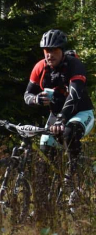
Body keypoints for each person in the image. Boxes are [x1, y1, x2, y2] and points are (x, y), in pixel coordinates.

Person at [24, 29, 94, 198]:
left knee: (69, 131)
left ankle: (72, 177)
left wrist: (62, 119)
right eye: (46, 50)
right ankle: (47, 201)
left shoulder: (74, 65)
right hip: (56, 116)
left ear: (62, 50)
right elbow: (27, 95)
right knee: (44, 155)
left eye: (54, 50)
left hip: (81, 112)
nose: (49, 54)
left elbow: (74, 96)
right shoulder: (40, 67)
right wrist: (36, 99)